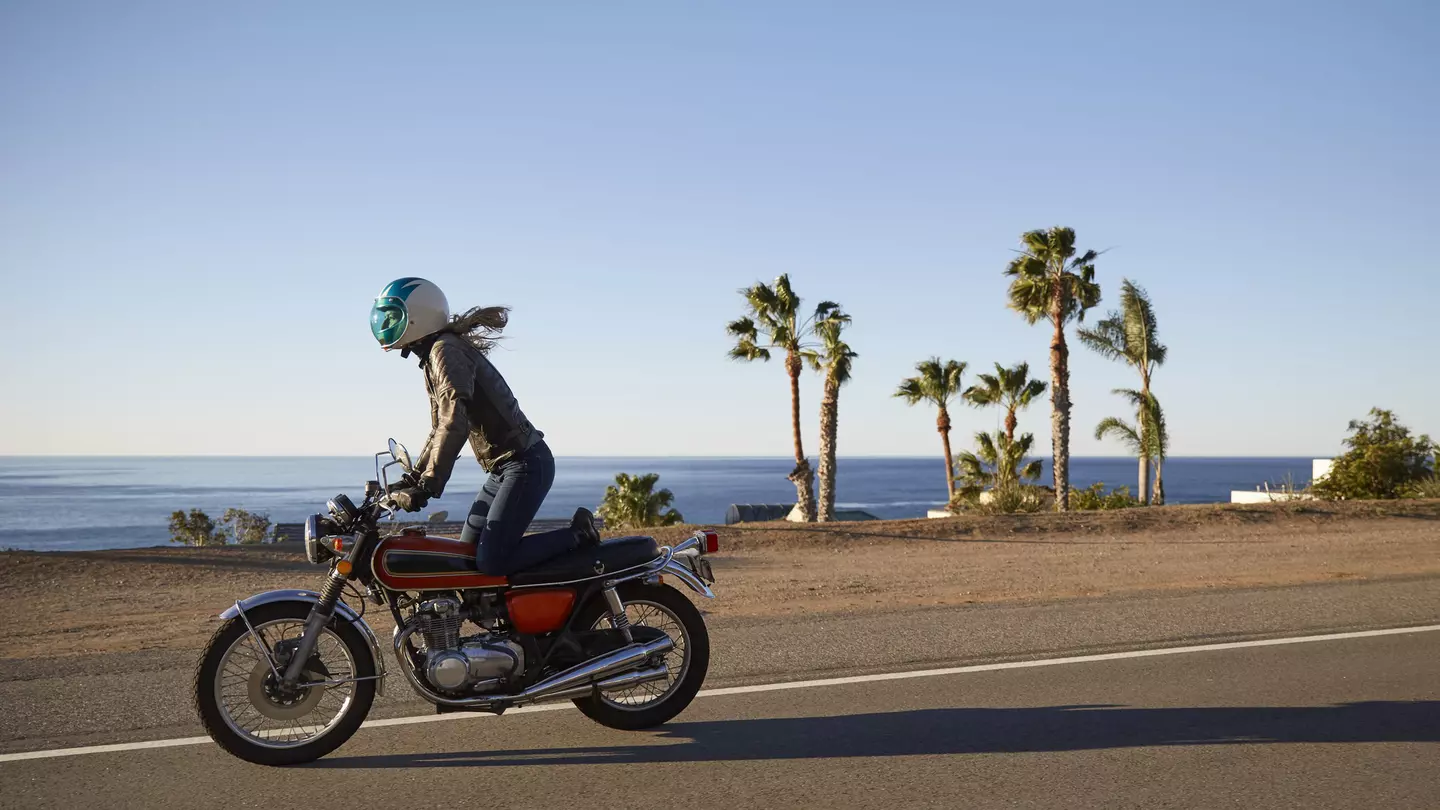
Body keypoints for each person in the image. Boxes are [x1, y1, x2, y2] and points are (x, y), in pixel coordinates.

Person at [369, 277, 599, 575]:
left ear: (418, 315)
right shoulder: (435, 354)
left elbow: (454, 422)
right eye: (384, 315)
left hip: (525, 464)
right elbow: (440, 426)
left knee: (493, 560)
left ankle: (578, 535)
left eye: (393, 315)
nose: (386, 322)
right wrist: (414, 478)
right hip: (503, 470)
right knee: (465, 557)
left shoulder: (445, 351)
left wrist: (427, 487)